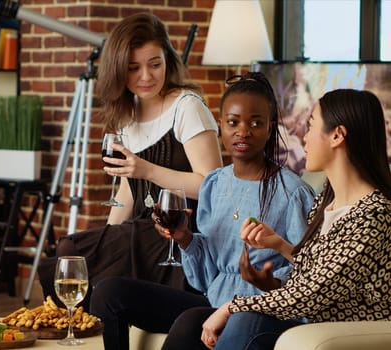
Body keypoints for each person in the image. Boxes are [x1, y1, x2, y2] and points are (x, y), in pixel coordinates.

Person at [90, 71, 316, 350]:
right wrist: (184, 238)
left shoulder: (292, 193)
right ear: (221, 125)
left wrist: (271, 282)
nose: (243, 131)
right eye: (233, 122)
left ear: (270, 128)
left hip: (256, 312)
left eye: (256, 123)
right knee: (109, 293)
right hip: (212, 300)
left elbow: (312, 273)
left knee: (189, 322)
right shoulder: (214, 183)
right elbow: (206, 277)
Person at [38, 12, 223, 306]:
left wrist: (147, 170)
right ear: (118, 70)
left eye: (154, 64)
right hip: (141, 230)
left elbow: (213, 187)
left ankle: (78, 326)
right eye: (133, 68)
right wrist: (108, 237)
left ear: (167, 61)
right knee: (71, 253)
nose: (146, 77)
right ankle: (79, 328)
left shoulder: (187, 107)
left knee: (71, 246)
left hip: (181, 234)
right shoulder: (127, 113)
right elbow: (128, 188)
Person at [201, 88, 391, 350]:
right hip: (313, 321)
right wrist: (279, 245)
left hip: (345, 330)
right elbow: (318, 269)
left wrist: (231, 306)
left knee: (245, 320)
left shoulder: (373, 215)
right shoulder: (329, 200)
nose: (304, 137)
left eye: (311, 126)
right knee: (192, 321)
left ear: (337, 135)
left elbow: (313, 292)